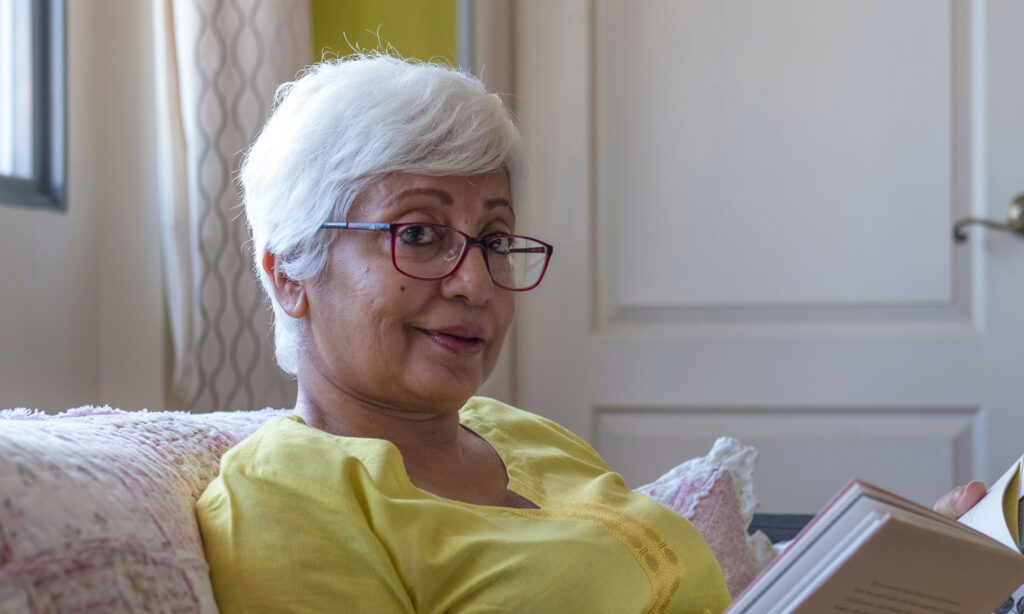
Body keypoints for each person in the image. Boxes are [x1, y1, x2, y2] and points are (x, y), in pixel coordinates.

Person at [196, 54, 985, 614]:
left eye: (495, 238)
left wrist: (865, 570)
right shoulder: (284, 495)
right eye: (421, 233)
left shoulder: (521, 436)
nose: (474, 281)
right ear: (288, 271)